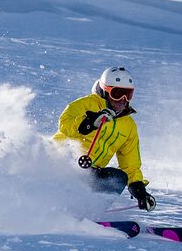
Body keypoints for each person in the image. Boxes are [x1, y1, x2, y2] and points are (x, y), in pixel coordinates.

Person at [54, 66, 156, 211]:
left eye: (128, 94)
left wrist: (140, 191)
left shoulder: (128, 125)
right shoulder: (87, 104)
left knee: (117, 178)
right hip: (62, 165)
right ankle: (55, 206)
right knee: (73, 173)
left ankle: (90, 213)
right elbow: (65, 123)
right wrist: (89, 123)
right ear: (105, 91)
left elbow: (130, 165)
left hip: (90, 173)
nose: (123, 100)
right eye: (117, 94)